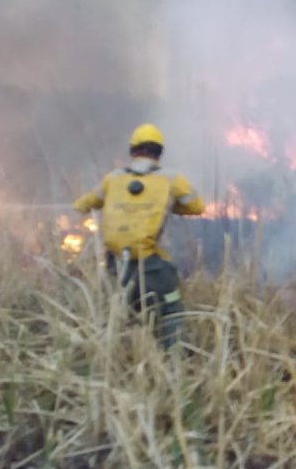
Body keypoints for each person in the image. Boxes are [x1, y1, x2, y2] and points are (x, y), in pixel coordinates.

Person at [72, 123, 205, 346]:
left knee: (120, 309)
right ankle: (175, 357)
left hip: (115, 263)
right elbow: (196, 207)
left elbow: (82, 205)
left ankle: (123, 351)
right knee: (170, 306)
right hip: (151, 265)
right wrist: (166, 203)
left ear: (132, 152)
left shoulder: (112, 178)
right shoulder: (172, 178)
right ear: (159, 153)